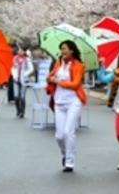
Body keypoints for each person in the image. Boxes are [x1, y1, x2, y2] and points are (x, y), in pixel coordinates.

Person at [46, 40, 87, 172]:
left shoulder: (78, 65)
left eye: (64, 49)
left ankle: (70, 161)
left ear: (71, 50)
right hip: (59, 101)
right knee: (59, 136)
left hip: (74, 101)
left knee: (69, 132)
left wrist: (59, 81)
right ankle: (65, 154)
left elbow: (75, 84)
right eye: (61, 49)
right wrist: (51, 78)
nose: (62, 51)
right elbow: (50, 77)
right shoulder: (58, 63)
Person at [11, 48, 34, 119]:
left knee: (22, 96)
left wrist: (25, 74)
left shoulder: (27, 60)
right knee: (16, 96)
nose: (20, 51)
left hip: (24, 80)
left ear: (24, 52)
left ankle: (22, 112)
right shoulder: (14, 59)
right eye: (19, 50)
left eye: (22, 50)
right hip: (16, 79)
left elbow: (31, 69)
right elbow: (12, 68)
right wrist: (14, 75)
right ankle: (18, 110)